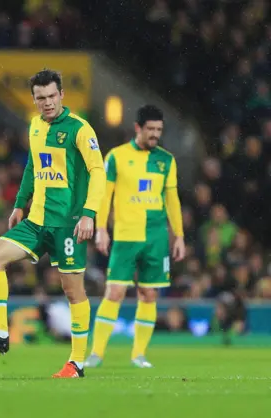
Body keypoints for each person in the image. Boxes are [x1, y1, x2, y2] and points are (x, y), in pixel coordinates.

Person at [0, 69, 106, 378]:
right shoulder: (35, 126)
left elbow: (98, 171)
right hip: (36, 221)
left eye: (52, 96)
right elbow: (32, 165)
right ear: (34, 100)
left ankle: (77, 362)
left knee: (73, 291)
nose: (47, 103)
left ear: (62, 95)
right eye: (40, 98)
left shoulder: (80, 129)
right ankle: (0, 332)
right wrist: (18, 204)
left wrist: (89, 213)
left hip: (67, 224)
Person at [85, 105, 186, 369]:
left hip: (156, 237)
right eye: (151, 129)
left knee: (149, 294)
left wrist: (179, 235)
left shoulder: (166, 160)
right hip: (127, 235)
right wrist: (101, 229)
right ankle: (96, 353)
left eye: (159, 130)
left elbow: (172, 200)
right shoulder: (116, 157)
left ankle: (138, 354)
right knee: (115, 291)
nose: (155, 134)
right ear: (138, 128)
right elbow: (105, 195)